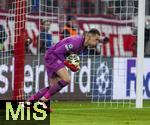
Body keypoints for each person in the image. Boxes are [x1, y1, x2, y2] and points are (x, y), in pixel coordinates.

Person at [28, 28, 105, 112]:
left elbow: (69, 53)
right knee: (67, 79)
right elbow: (58, 51)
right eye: (96, 39)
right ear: (89, 37)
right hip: (53, 56)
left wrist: (73, 63)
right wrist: (66, 63)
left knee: (53, 86)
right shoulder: (76, 42)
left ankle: (29, 102)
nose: (97, 42)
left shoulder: (84, 46)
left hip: (53, 56)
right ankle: (42, 100)